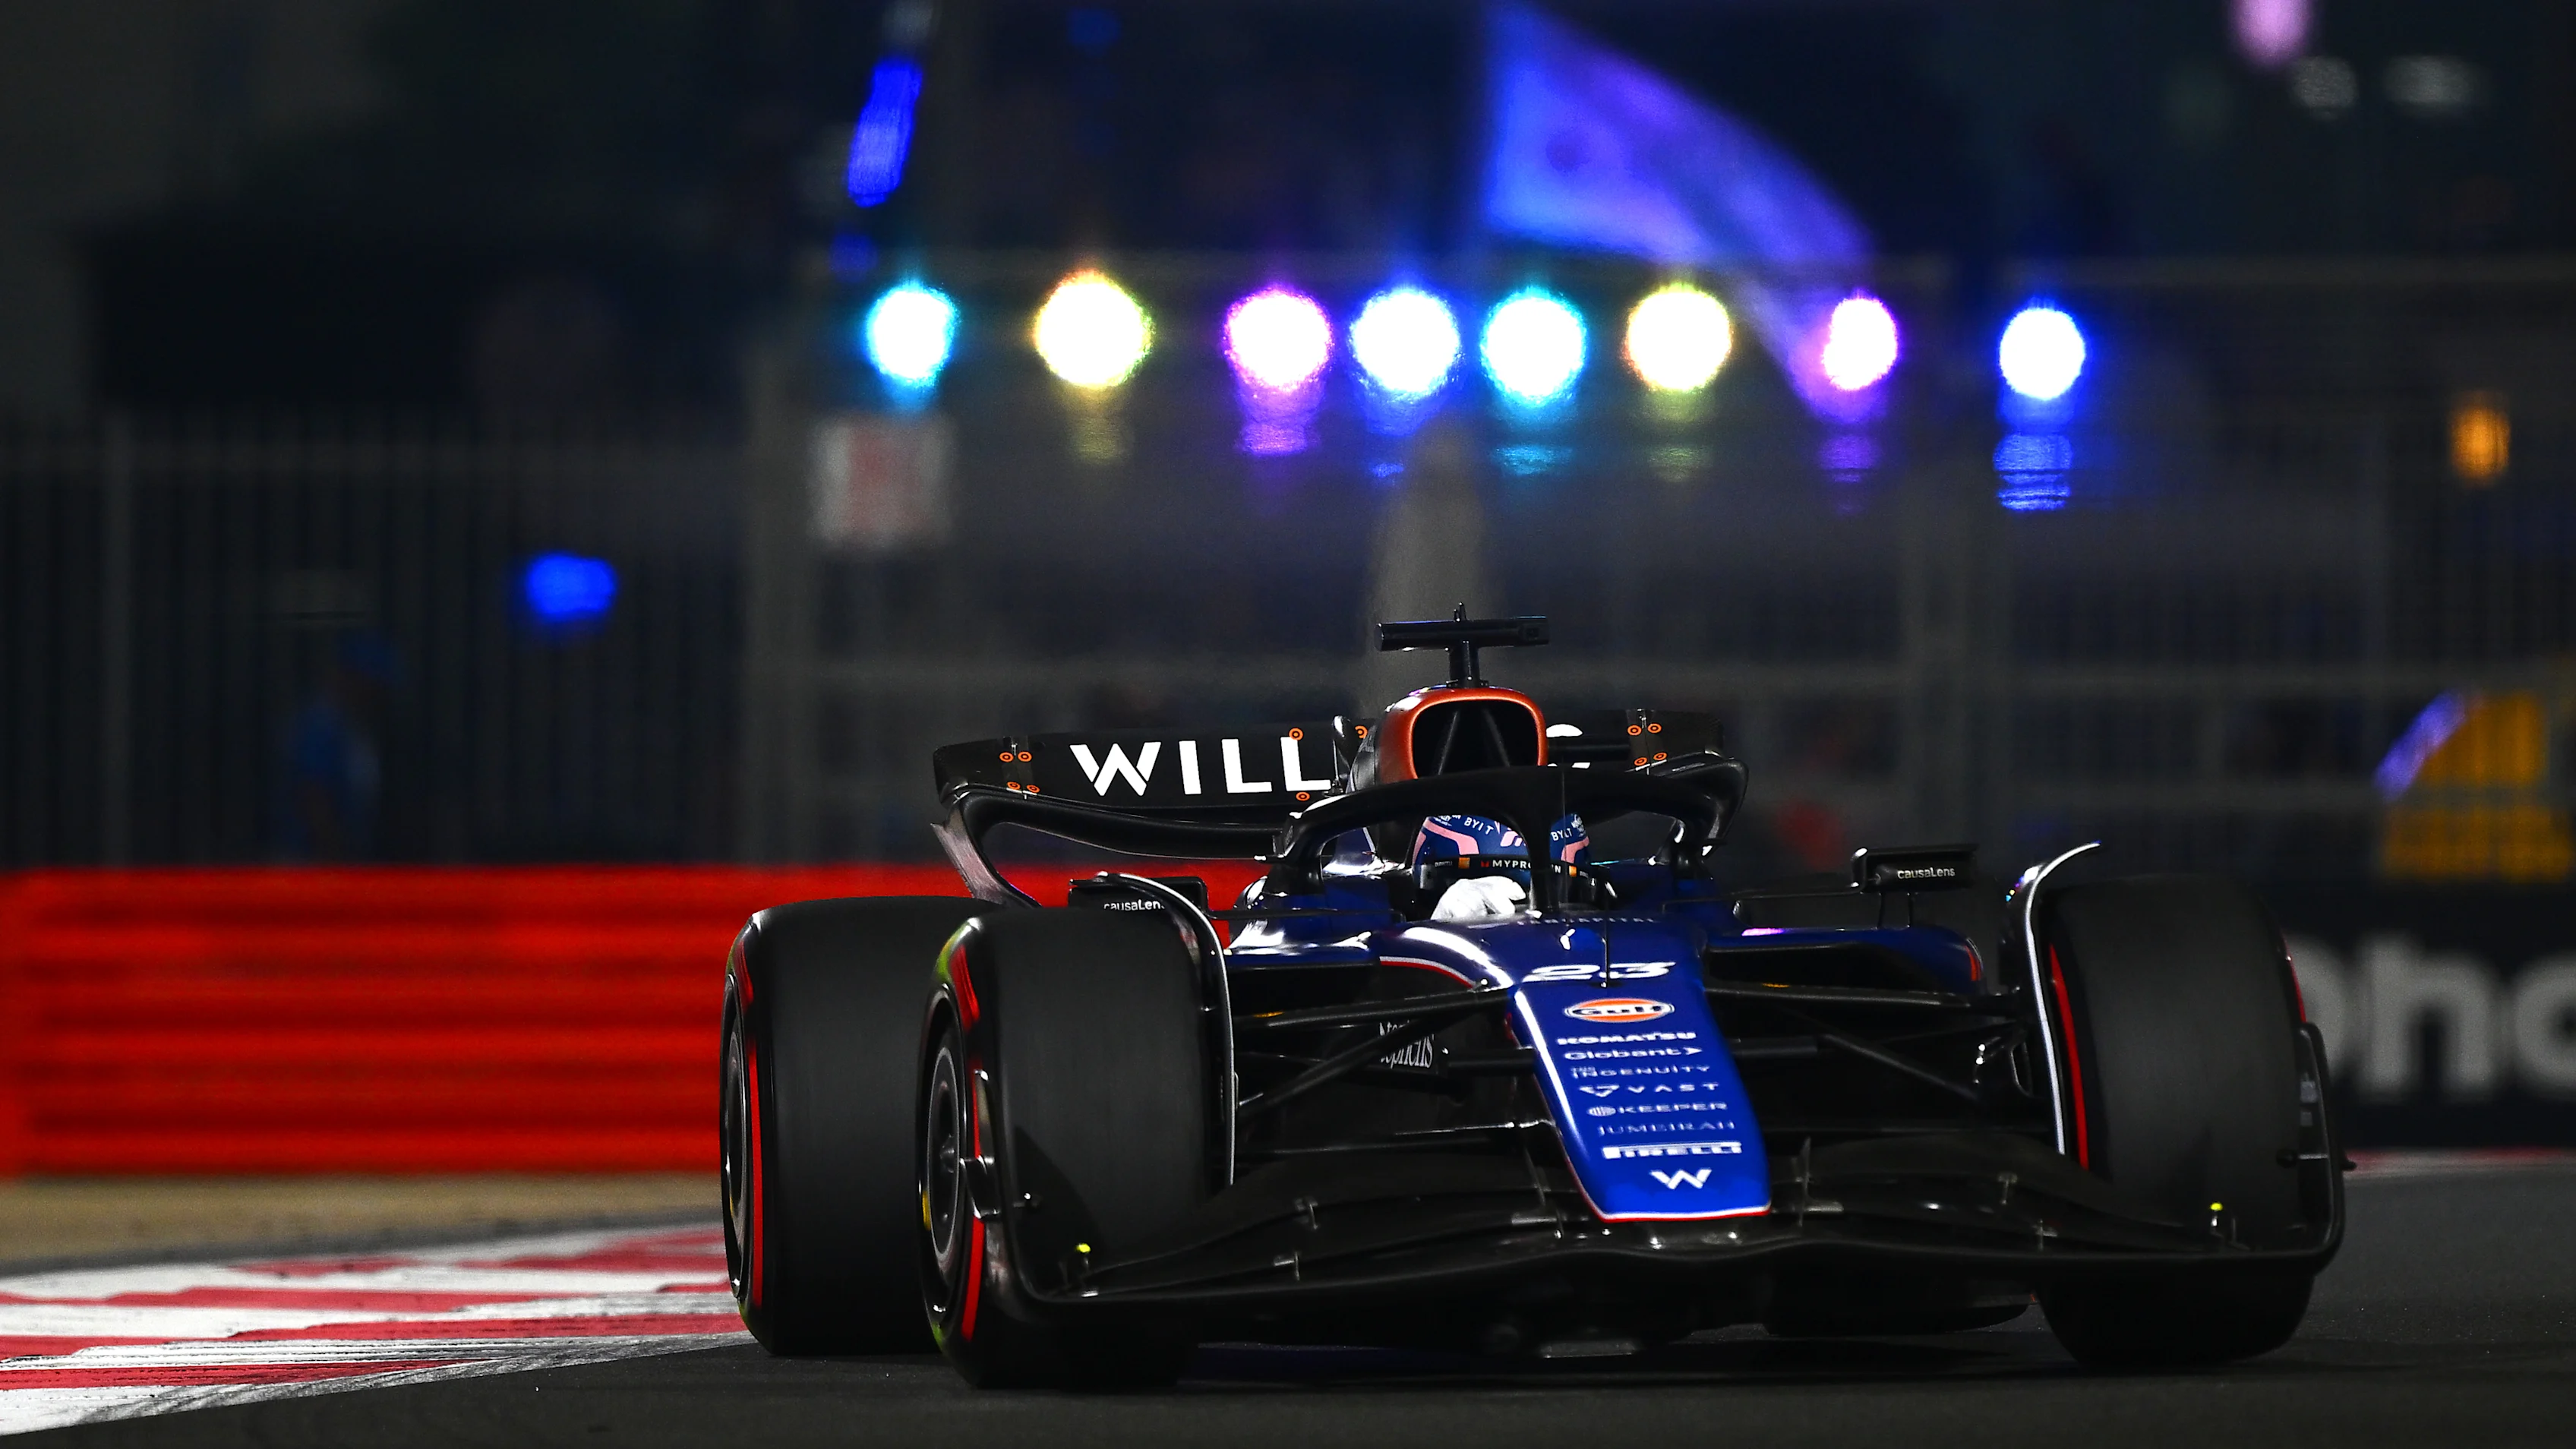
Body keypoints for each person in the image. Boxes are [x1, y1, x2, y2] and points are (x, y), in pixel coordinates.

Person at [275, 633, 394, 860]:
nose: (378, 696)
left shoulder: (350, 726)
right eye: (373, 684)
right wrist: (335, 859)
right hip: (311, 866)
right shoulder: (320, 726)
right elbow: (314, 797)